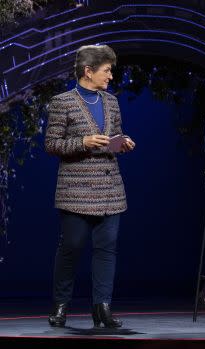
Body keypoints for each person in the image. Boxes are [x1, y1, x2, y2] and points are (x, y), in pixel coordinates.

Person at [45, 45, 135, 328]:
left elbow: (114, 135)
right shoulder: (63, 102)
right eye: (107, 70)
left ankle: (102, 309)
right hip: (76, 190)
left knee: (107, 249)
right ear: (88, 71)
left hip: (109, 188)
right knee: (71, 247)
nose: (110, 76)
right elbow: (52, 144)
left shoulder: (111, 101)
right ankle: (60, 306)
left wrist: (123, 143)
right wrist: (82, 142)